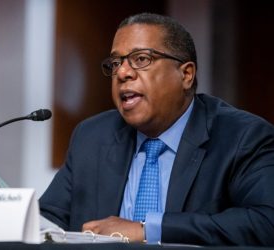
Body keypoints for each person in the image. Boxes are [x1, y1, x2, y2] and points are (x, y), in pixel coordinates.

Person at [39, 13, 274, 246]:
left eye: (141, 59)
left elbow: (266, 222)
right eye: (116, 63)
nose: (122, 73)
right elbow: (46, 222)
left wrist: (147, 230)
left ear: (186, 74)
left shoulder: (242, 137)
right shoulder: (91, 137)